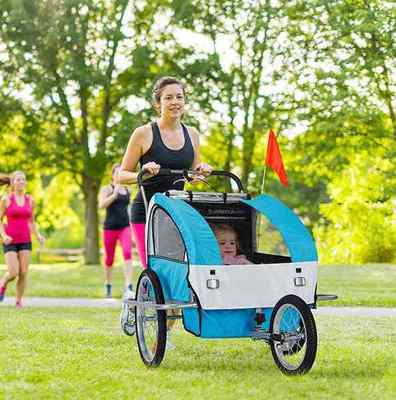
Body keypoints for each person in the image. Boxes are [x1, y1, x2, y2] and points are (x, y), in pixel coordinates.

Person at [118, 76, 213, 347]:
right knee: (158, 272)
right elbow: (121, 175)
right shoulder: (144, 134)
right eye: (168, 97)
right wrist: (143, 172)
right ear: (157, 103)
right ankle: (139, 309)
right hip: (147, 212)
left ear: (185, 101)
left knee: (179, 272)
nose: (175, 102)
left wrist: (201, 170)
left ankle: (165, 330)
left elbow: (193, 175)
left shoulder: (192, 135)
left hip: (177, 214)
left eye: (179, 97)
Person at [0, 171, 45, 307]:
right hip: (10, 240)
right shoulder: (6, 199)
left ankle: (18, 301)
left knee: (24, 272)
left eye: (23, 180)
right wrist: (4, 235)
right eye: (18, 180)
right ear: (13, 183)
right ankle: (3, 283)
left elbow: (31, 221)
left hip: (25, 239)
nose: (21, 182)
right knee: (13, 273)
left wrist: (38, 235)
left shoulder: (30, 200)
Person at [99, 164, 134, 298]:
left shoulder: (128, 190)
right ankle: (108, 284)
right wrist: (114, 194)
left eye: (121, 173)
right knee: (109, 258)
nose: (119, 175)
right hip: (110, 228)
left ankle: (128, 286)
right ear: (113, 175)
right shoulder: (106, 189)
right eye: (117, 173)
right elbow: (101, 205)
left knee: (127, 252)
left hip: (125, 227)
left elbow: (129, 209)